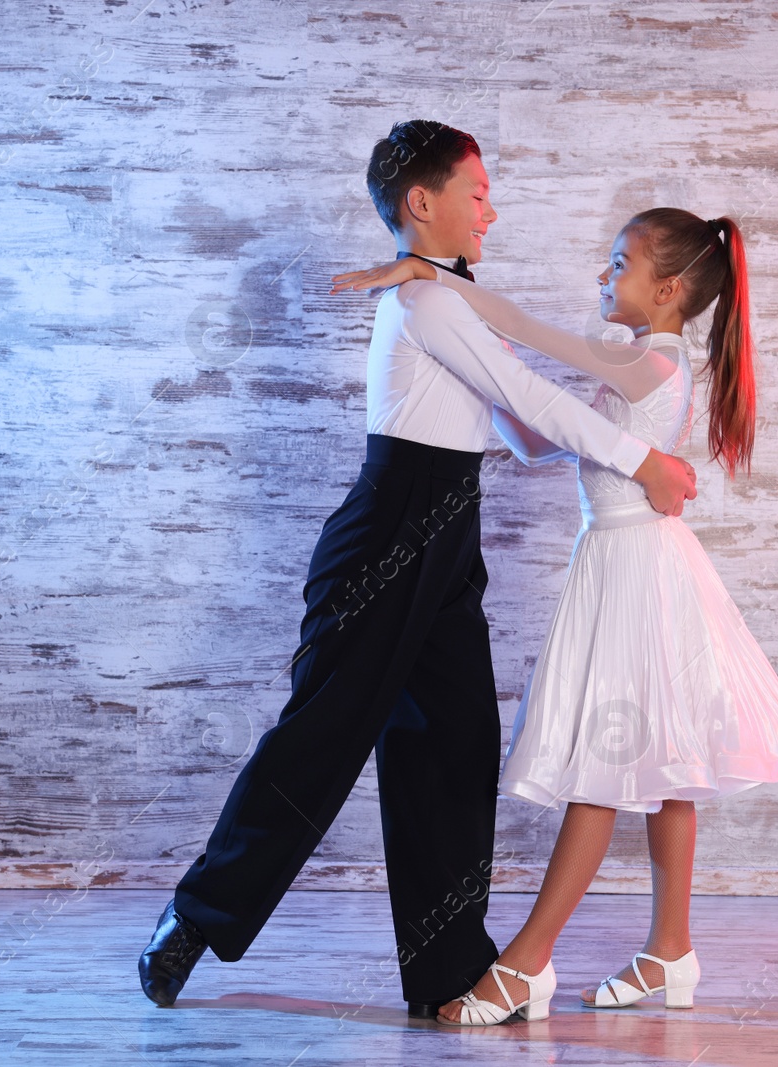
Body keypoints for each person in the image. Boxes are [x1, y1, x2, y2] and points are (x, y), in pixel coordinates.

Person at [138, 122, 698, 1018]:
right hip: (387, 530)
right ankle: (195, 917)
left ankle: (446, 970)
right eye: (478, 193)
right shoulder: (427, 305)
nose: (492, 209)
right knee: (319, 743)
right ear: (421, 202)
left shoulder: (449, 299)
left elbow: (520, 430)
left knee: (454, 745)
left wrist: (614, 446)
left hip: (450, 531)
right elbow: (530, 398)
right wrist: (641, 463)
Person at [330, 208, 778, 1024]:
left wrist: (434, 277)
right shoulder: (640, 365)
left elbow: (531, 331)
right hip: (629, 561)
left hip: (636, 569)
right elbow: (538, 440)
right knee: (669, 764)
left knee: (609, 761)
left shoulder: (649, 361)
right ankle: (670, 948)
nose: (602, 278)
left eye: (618, 264)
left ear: (667, 290)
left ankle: (527, 964)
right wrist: (475, 373)